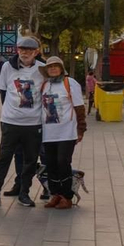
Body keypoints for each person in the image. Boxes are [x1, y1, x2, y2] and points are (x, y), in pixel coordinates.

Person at [0, 36, 47, 209]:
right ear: (17, 50)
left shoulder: (42, 69)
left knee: (30, 160)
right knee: (3, 158)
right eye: (22, 49)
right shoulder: (7, 67)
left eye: (29, 50)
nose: (25, 53)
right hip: (10, 121)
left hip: (33, 123)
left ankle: (24, 192)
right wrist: (9, 112)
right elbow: (3, 92)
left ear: (36, 52)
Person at [38, 56, 86, 209]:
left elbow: (79, 107)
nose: (52, 69)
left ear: (61, 68)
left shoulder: (70, 83)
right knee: (50, 164)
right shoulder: (45, 85)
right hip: (49, 132)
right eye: (49, 67)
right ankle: (55, 194)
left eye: (55, 66)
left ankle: (67, 196)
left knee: (62, 162)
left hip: (67, 131)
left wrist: (81, 129)